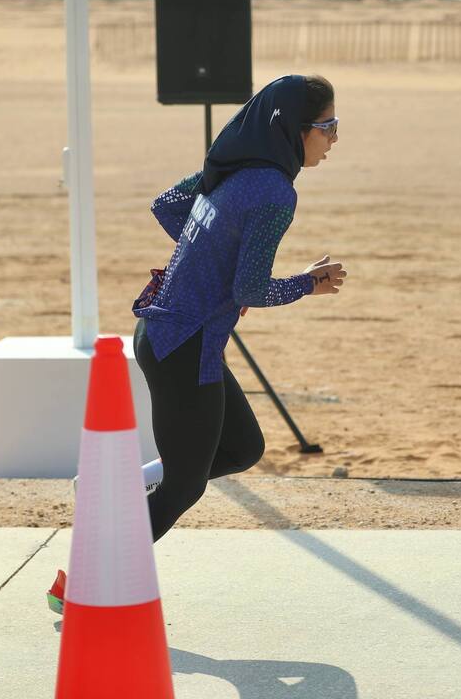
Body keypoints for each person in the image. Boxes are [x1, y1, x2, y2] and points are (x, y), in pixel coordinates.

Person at [47, 74, 346, 613]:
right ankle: (82, 583)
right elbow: (251, 288)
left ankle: (112, 488)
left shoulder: (233, 168)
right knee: (185, 489)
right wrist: (308, 282)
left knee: (243, 449)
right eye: (328, 127)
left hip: (172, 338)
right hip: (184, 348)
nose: (333, 139)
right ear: (297, 131)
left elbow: (166, 206)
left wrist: (209, 261)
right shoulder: (276, 192)